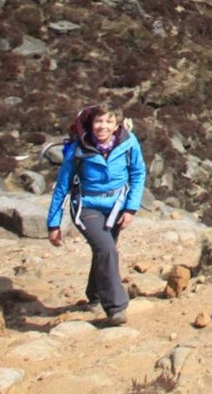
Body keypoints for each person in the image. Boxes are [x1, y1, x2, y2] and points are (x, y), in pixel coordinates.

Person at [46, 102, 147, 326]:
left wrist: (131, 208)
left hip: (117, 206)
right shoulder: (79, 149)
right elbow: (62, 186)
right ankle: (116, 307)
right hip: (87, 206)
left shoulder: (128, 143)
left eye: (109, 121)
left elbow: (138, 172)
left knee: (104, 251)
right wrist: (54, 224)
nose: (103, 126)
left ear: (117, 124)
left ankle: (95, 295)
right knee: (106, 249)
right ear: (91, 124)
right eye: (98, 121)